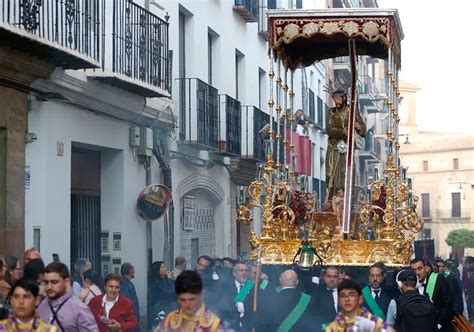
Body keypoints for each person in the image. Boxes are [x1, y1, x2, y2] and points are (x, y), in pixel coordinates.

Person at [325, 87, 366, 200]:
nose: (336, 101)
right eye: (334, 98)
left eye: (338, 98)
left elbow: (363, 129)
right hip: (333, 147)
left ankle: (347, 199)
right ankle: (330, 199)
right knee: (330, 173)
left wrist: (359, 127)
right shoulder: (331, 112)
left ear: (344, 98)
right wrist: (341, 131)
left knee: (345, 173)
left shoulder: (352, 111)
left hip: (347, 148)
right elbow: (329, 129)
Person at [37, 262, 98, 331]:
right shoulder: (41, 306)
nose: (49, 287)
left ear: (66, 282)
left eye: (54, 282)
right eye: (46, 282)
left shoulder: (79, 309)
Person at [156, 270, 224, 331]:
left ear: (202, 295)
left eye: (192, 299)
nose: (187, 304)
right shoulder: (168, 321)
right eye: (183, 300)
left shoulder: (215, 325)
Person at [410, 257, 454, 331]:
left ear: (426, 269)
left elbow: (448, 303)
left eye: (420, 269)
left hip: (440, 326)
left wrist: (439, 324)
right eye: (414, 270)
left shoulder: (438, 279)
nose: (417, 272)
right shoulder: (410, 285)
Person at [220, 262, 255, 330]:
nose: (244, 273)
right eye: (241, 270)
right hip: (231, 326)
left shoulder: (252, 286)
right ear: (234, 273)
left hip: (248, 327)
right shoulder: (225, 287)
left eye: (246, 270)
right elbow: (223, 306)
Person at [148, 261, 176, 329]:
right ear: (157, 270)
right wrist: (170, 280)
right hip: (158, 311)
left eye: (165, 266)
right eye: (163, 267)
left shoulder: (165, 280)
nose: (166, 268)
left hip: (168, 310)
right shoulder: (154, 282)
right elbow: (168, 292)